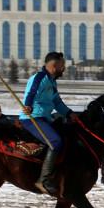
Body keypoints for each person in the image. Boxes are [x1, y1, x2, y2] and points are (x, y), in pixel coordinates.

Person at [20, 51, 74, 195]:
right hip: (33, 118)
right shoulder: (40, 77)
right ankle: (43, 180)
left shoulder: (52, 81)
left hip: (45, 118)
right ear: (55, 66)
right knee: (55, 142)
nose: (64, 68)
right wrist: (28, 106)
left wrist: (69, 113)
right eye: (62, 65)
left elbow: (56, 101)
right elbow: (31, 93)